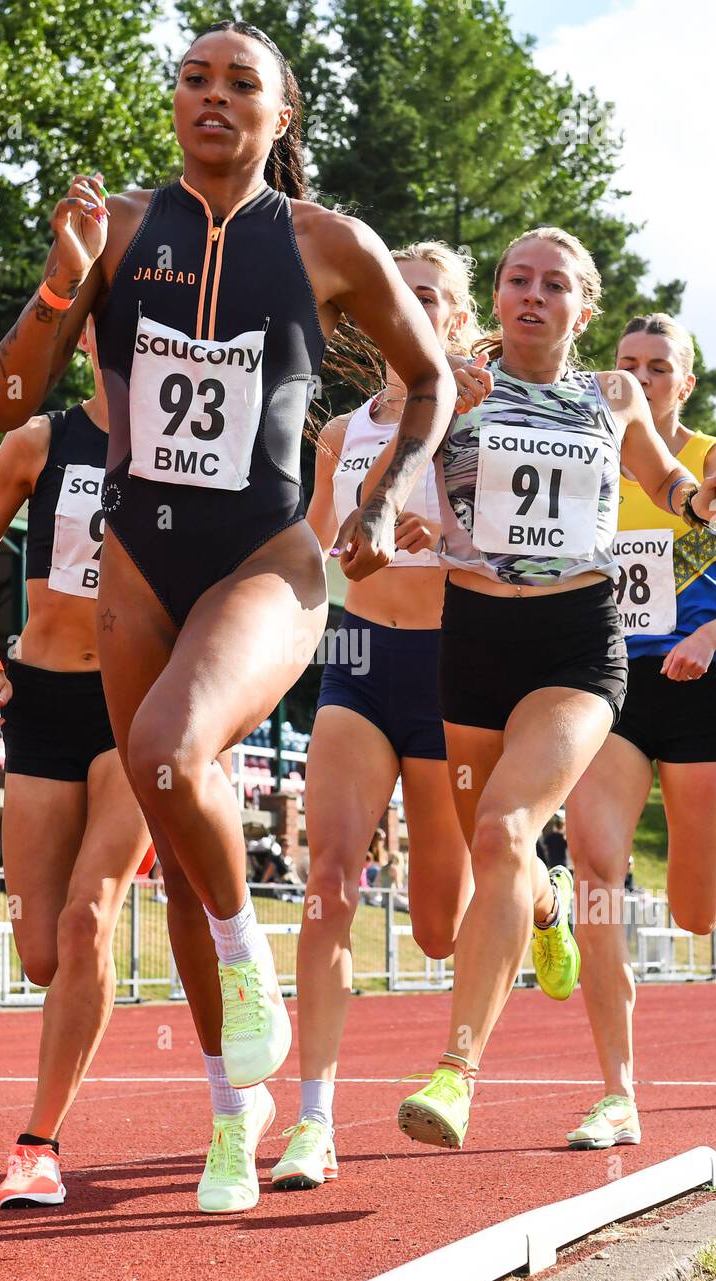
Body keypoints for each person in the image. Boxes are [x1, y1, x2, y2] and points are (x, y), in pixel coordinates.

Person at [0, 19, 455, 1213]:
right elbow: (7, 395)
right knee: (182, 876)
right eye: (194, 78)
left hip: (266, 560)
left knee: (164, 751)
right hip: (138, 567)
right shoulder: (123, 230)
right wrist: (60, 278)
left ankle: (254, 969)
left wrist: (388, 489)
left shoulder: (328, 243)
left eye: (241, 83)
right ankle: (231, 1117)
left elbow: (433, 379)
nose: (212, 97)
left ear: (279, 116)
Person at [359, 226, 716, 1151]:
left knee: (503, 830)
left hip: (578, 645)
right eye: (517, 280)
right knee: (497, 851)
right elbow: (385, 490)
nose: (533, 295)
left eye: (556, 284)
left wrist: (706, 499)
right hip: (474, 642)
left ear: (585, 305)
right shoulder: (452, 385)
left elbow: (666, 478)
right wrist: (400, 516)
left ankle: (455, 1075)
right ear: (494, 298)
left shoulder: (611, 395)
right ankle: (549, 905)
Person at [563, 312, 716, 1148]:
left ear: (687, 382)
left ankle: (690, 873)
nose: (644, 377)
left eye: (661, 366)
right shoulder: (585, 452)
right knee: (594, 870)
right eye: (629, 364)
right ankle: (616, 1093)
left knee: (699, 914)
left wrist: (710, 636)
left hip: (700, 689)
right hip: (610, 689)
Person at [271, 241, 476, 1191]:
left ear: (460, 321)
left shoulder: (481, 416)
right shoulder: (339, 434)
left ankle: (543, 892)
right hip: (355, 662)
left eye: (434, 298)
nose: (417, 310)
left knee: (437, 928)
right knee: (329, 881)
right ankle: (314, 1120)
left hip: (450, 670)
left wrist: (453, 538)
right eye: (403, 294)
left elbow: (534, 558)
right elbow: (309, 546)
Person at [0, 316, 153, 1206]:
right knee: (40, 954)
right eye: (107, 328)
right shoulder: (41, 441)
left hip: (134, 706)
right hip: (41, 700)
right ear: (83, 342)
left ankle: (37, 1144)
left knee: (87, 923)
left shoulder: (188, 447)